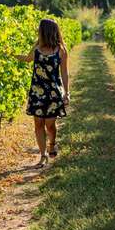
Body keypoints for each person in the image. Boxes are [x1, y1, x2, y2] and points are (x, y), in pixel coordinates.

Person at [14, 19, 70, 168]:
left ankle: (52, 144)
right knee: (38, 124)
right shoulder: (37, 47)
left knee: (50, 124)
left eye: (39, 29)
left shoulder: (61, 50)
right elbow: (27, 59)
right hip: (37, 91)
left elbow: (64, 73)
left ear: (45, 31)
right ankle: (43, 155)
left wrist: (67, 93)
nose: (38, 32)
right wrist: (11, 55)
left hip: (53, 92)